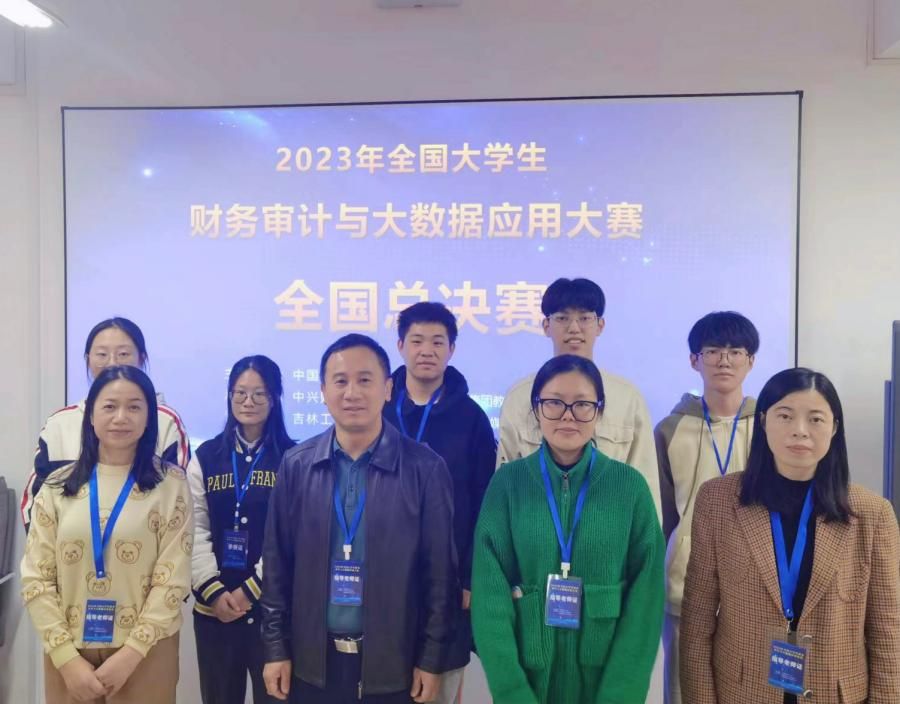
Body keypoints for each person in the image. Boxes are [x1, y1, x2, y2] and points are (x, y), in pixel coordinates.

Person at [680, 368, 900, 703]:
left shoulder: (872, 513)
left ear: (834, 427)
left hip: (835, 693)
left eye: (815, 419)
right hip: (742, 691)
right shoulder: (717, 500)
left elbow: (888, 631)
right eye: (785, 415)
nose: (800, 430)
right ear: (764, 422)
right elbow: (697, 622)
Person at [260, 334, 459, 704]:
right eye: (340, 381)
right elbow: (276, 565)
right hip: (311, 665)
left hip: (393, 667)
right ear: (323, 391)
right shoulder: (297, 465)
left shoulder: (425, 469)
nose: (352, 393)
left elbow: (440, 576)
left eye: (365, 380)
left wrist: (431, 659)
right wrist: (275, 648)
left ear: (387, 389)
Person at [472, 355, 664, 704]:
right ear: (536, 409)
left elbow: (646, 602)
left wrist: (620, 696)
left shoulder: (629, 487)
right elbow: (490, 598)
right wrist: (512, 693)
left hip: (604, 681)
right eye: (554, 403)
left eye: (582, 404)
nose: (568, 415)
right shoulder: (508, 484)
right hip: (528, 680)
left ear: (599, 412)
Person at [20, 365, 193, 704]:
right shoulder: (57, 485)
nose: (121, 417)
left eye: (134, 407)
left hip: (146, 653)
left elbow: (173, 578)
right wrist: (66, 659)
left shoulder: (171, 485)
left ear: (149, 418)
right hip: (69, 652)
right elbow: (36, 577)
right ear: (91, 416)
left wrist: (132, 654)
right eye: (110, 406)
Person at [383, 302, 496, 704]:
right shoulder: (378, 408)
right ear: (400, 346)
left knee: (438, 686)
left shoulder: (472, 418)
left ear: (452, 349)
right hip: (381, 574)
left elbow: (484, 501)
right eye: (417, 341)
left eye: (437, 342)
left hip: (446, 579)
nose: (426, 350)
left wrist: (470, 578)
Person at [655, 311, 760, 704]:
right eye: (713, 351)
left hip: (755, 584)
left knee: (749, 688)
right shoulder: (670, 429)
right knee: (684, 689)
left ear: (751, 360)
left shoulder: (770, 426)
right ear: (694, 360)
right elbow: (665, 514)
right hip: (685, 584)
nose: (724, 360)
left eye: (736, 352)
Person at [496, 277, 661, 520]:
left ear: (600, 325)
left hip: (609, 530)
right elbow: (504, 484)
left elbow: (646, 486)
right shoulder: (519, 397)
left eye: (584, 318)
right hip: (535, 530)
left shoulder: (628, 398)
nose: (574, 328)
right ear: (546, 325)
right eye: (562, 318)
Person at [188, 355, 295, 704]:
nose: (248, 402)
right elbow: (193, 529)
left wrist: (251, 590)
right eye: (240, 393)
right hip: (214, 612)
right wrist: (214, 591)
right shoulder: (205, 456)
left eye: (259, 394)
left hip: (271, 615)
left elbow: (289, 536)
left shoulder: (293, 458)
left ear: (274, 399)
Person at [22, 317, 190, 532]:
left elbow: (179, 502)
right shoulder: (59, 424)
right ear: (88, 360)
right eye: (102, 354)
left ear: (142, 358)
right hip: (70, 548)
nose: (112, 363)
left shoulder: (165, 421)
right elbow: (35, 501)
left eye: (123, 354)